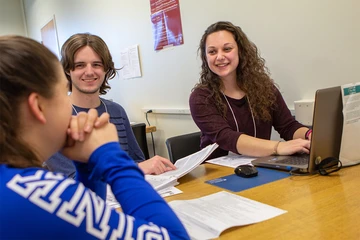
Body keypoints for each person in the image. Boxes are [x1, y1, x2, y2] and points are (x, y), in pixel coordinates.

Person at [0, 35, 189, 239]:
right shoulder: (41, 195)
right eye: (64, 92)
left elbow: (85, 216)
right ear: (38, 106)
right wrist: (110, 155)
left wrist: (88, 167)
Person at [46, 33, 176, 179]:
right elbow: (71, 178)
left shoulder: (117, 111)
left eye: (96, 64)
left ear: (106, 69)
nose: (89, 72)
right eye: (80, 65)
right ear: (67, 70)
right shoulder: (53, 118)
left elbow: (137, 160)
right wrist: (136, 168)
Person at [189, 21, 312, 159]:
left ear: (240, 51)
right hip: (217, 175)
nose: (219, 57)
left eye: (227, 49)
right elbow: (227, 137)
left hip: (261, 167)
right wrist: (278, 147)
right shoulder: (201, 97)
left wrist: (309, 135)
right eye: (212, 52)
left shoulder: (264, 88)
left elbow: (288, 126)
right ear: (205, 58)